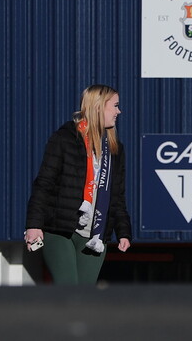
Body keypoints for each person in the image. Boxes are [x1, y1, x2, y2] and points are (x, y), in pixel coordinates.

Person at [25, 84, 132, 284]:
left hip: (94, 234)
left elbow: (116, 195)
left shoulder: (115, 149)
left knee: (84, 297)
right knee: (68, 287)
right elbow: (44, 184)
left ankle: (77, 318)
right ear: (99, 107)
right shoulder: (65, 139)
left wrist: (124, 231)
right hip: (60, 229)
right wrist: (33, 225)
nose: (119, 111)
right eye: (115, 106)